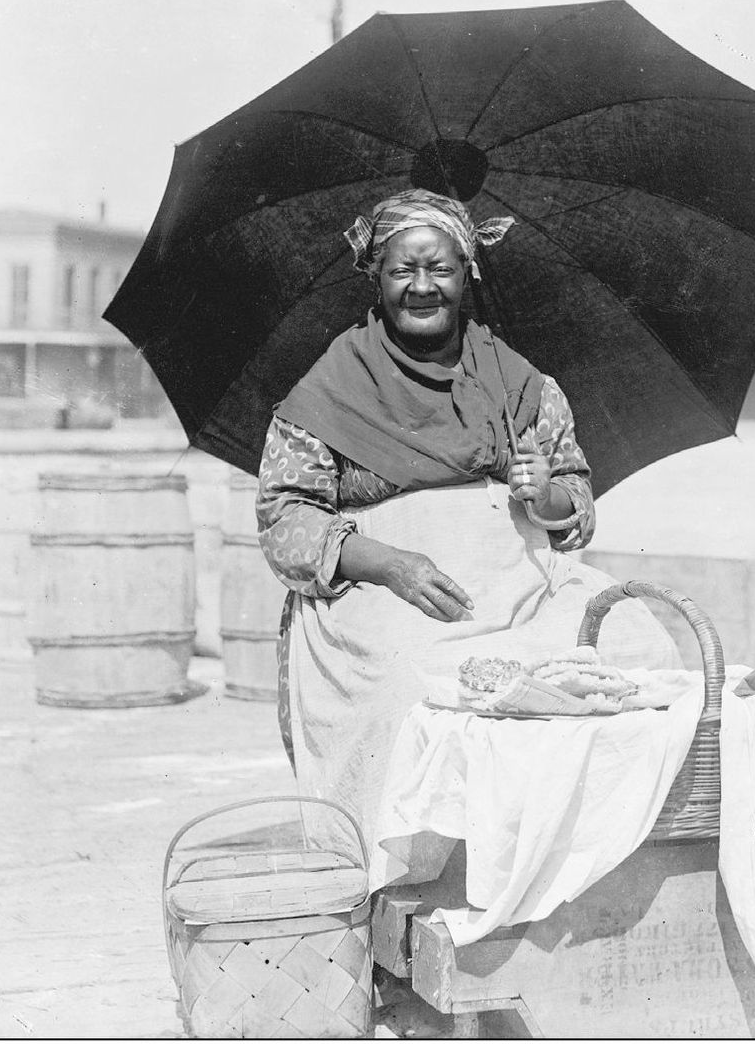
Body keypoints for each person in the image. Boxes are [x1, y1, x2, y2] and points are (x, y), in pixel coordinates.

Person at [255, 188, 679, 848]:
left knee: (635, 646)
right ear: (375, 273)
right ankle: (423, 870)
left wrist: (544, 496)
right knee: (415, 682)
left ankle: (585, 849)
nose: (422, 287)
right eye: (403, 270)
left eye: (440, 269)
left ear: (467, 273)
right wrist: (390, 564)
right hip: (388, 596)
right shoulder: (328, 389)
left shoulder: (520, 383)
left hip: (524, 586)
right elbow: (285, 522)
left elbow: (575, 504)